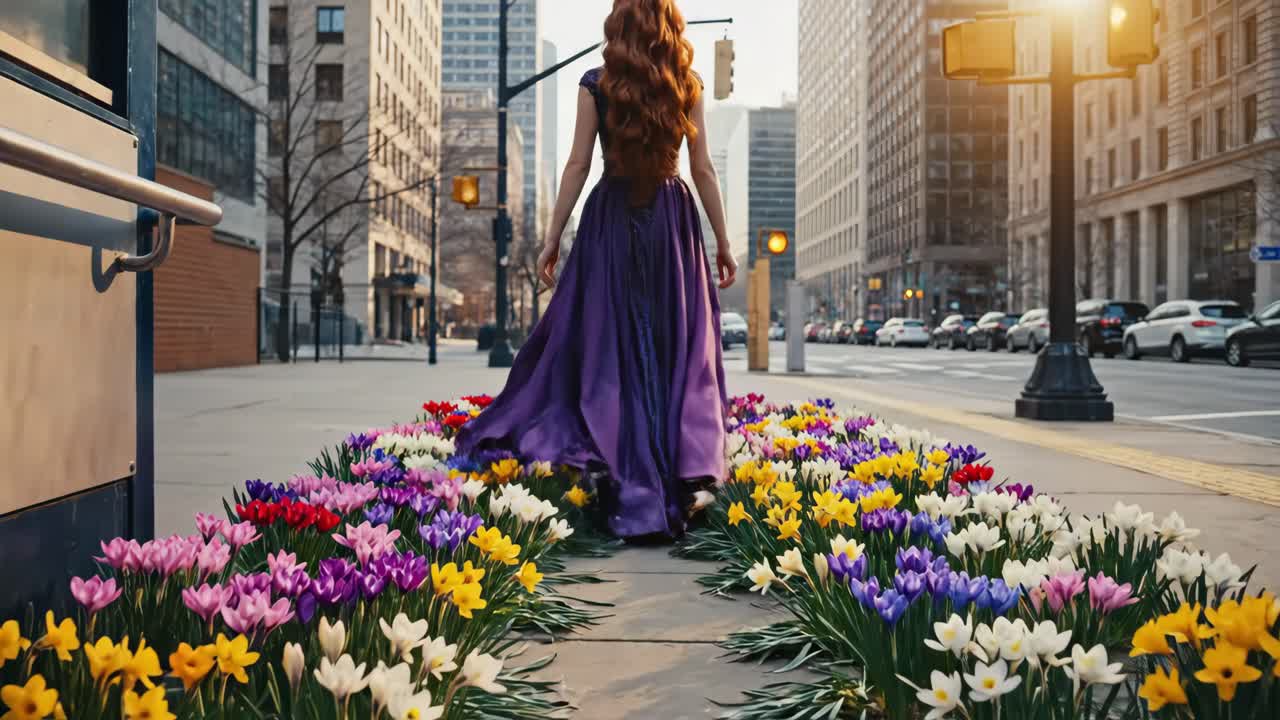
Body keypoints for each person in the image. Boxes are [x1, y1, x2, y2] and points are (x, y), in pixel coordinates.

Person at [454, 0, 736, 541]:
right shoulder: (689, 84)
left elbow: (578, 164)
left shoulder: (596, 83)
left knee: (607, 343)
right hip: (671, 221)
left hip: (610, 218)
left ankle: (609, 456)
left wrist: (552, 237)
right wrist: (721, 241)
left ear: (617, 23)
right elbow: (702, 170)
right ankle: (684, 469)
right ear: (670, 25)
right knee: (674, 345)